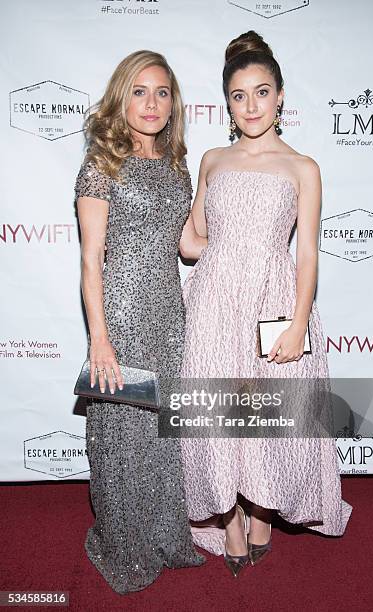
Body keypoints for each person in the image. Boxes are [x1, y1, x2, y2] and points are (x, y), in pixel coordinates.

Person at [179, 31, 352, 577]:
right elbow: (191, 239)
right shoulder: (212, 159)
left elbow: (307, 256)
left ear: (280, 96)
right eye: (238, 94)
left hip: (275, 299)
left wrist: (298, 322)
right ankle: (227, 521)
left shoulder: (303, 167)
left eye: (261, 91)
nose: (250, 105)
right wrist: (228, 255)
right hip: (214, 301)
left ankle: (261, 512)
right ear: (226, 102)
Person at [75, 50, 205, 594]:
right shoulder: (100, 164)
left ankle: (164, 532)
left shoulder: (176, 166)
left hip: (168, 314)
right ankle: (126, 542)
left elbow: (188, 246)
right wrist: (99, 339)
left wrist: (245, 231)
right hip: (122, 316)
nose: (151, 103)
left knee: (161, 434)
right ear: (120, 96)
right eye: (139, 91)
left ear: (173, 103)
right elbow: (90, 260)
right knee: (123, 437)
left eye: (162, 92)